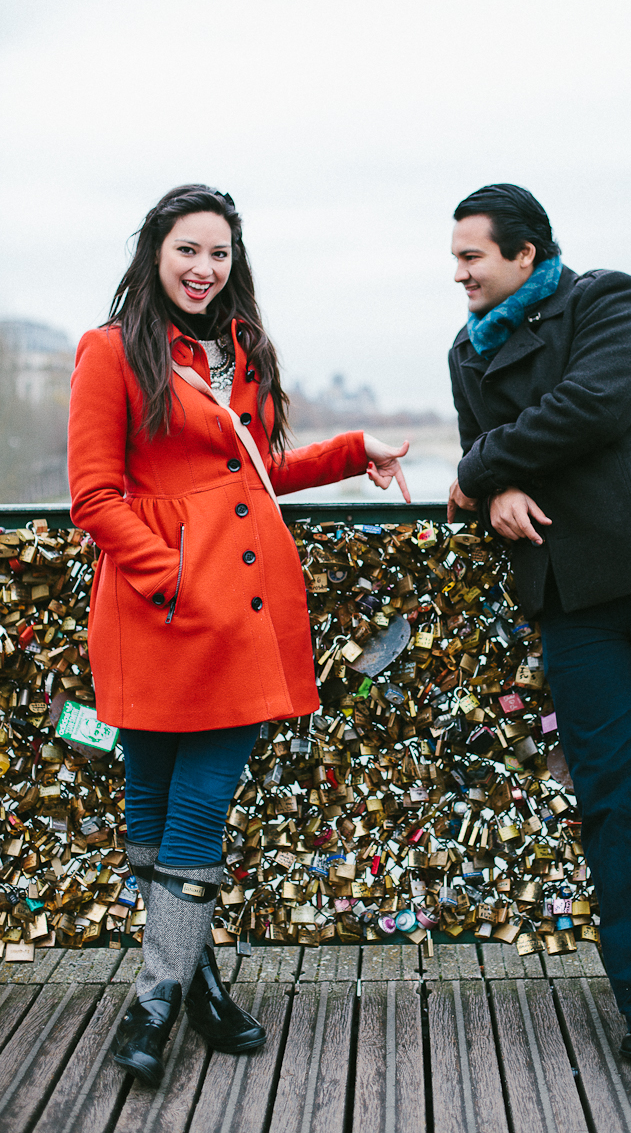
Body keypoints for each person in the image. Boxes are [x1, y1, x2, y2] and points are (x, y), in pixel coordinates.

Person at [68, 184, 410, 1086]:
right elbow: (94, 498)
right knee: (151, 806)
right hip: (159, 612)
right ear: (155, 253)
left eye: (218, 254)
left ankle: (154, 1002)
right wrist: (174, 578)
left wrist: (346, 455)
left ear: (234, 263)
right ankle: (202, 986)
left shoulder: (242, 352)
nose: (203, 268)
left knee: (195, 808)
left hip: (241, 619)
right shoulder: (110, 353)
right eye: (188, 250)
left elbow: (248, 477)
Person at [446, 183, 631, 1089]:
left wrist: (479, 469)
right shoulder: (468, 352)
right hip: (572, 591)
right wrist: (491, 489)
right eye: (454, 258)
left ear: (525, 254)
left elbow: (595, 406)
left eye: (471, 257)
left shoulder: (607, 298)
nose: (457, 273)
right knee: (614, 789)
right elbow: (489, 448)